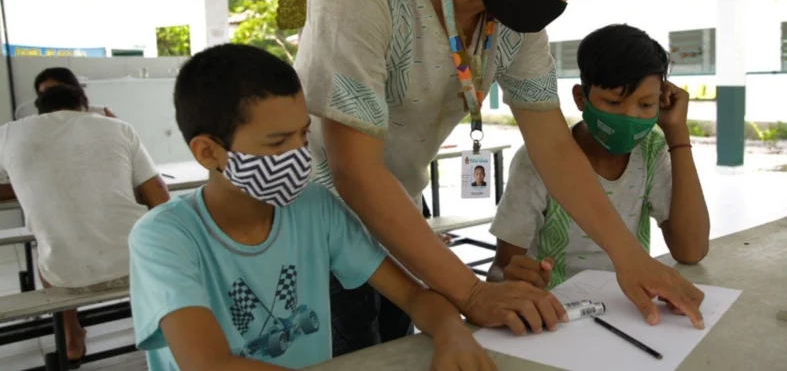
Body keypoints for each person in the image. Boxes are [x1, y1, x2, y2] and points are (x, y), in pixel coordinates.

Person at [295, 0, 704, 355]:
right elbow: (353, 172)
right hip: (317, 220)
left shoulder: (514, 22)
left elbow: (552, 145)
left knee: (400, 348)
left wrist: (628, 257)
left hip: (400, 203)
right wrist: (471, 292)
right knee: (352, 352)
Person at [127, 44, 496, 371]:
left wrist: (452, 332)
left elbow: (413, 296)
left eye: (303, 134)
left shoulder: (314, 208)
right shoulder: (164, 237)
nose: (298, 156)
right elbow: (209, 364)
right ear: (209, 152)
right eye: (277, 143)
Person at [488, 25, 710, 293]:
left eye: (646, 104)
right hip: (559, 313)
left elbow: (691, 250)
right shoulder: (537, 161)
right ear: (581, 98)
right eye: (613, 103)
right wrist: (515, 280)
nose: (629, 117)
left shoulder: (651, 152)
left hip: (630, 309)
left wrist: (677, 134)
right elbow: (500, 269)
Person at [0, 83, 169, 364]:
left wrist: (29, 182)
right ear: (84, 106)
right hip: (138, 264)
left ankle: (72, 335)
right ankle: (154, 320)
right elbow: (159, 196)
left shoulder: (8, 133)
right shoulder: (119, 128)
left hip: (65, 277)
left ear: (39, 111)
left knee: (52, 248)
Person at [34, 67, 116, 117]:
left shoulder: (102, 113)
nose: (49, 97)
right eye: (43, 94)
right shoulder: (39, 123)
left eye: (54, 91)